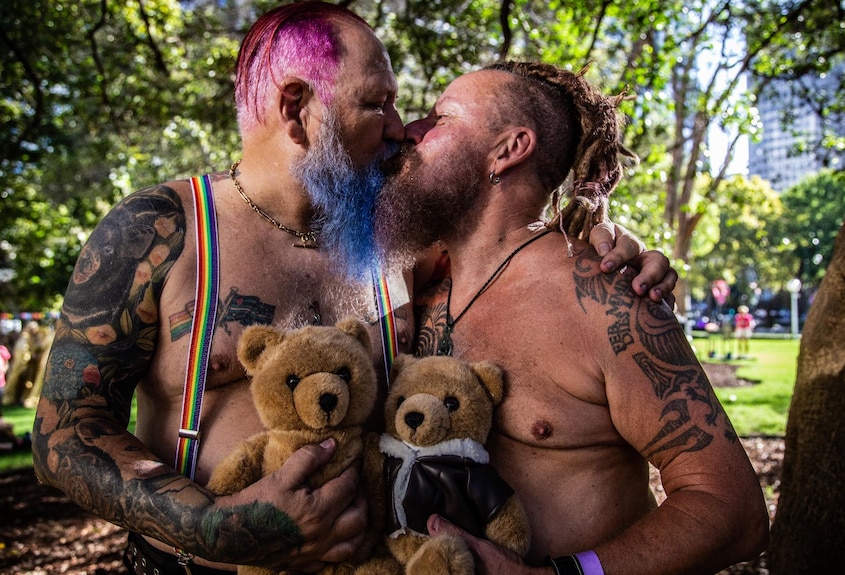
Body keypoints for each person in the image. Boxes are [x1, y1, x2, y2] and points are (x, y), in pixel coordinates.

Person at [31, 4, 674, 574]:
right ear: (296, 108)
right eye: (377, 103)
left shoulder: (400, 245)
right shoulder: (165, 231)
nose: (399, 126)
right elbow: (63, 431)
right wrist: (218, 528)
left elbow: (514, 246)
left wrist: (604, 239)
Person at [374, 61, 769, 574]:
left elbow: (732, 508)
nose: (410, 131)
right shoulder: (412, 288)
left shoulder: (606, 298)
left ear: (509, 150)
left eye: (440, 119)